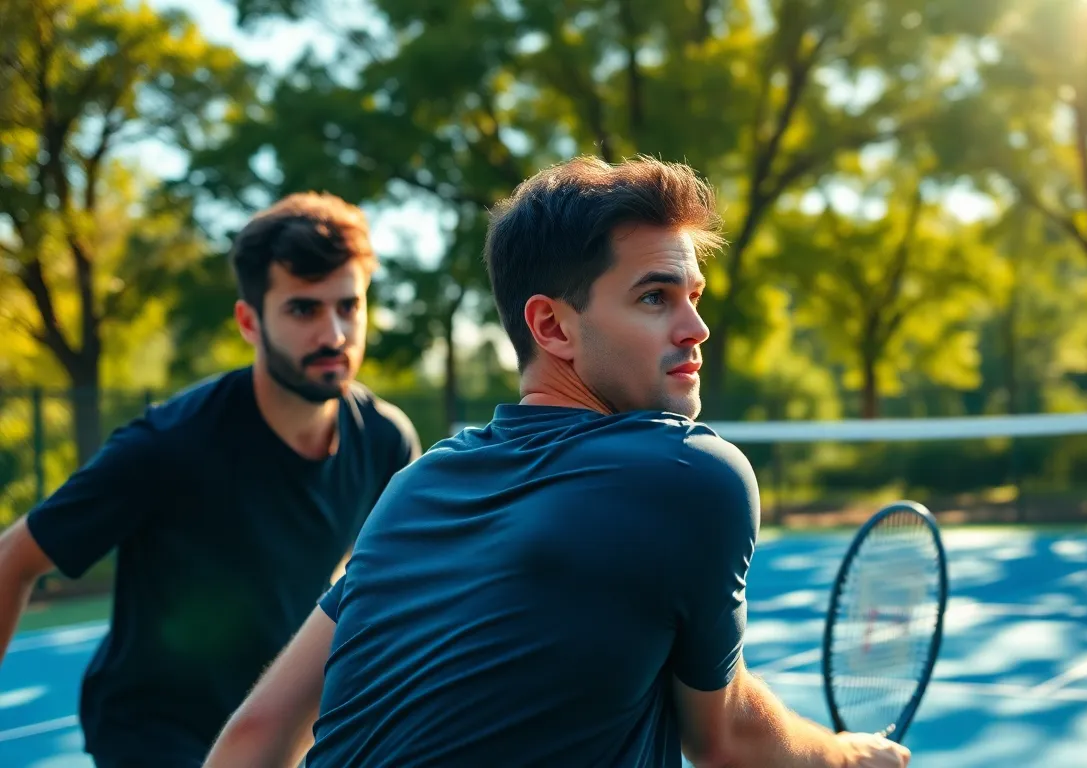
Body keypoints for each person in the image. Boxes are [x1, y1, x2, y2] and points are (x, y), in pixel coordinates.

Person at [202, 156, 911, 768]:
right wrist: (847, 756)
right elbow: (723, 736)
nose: (695, 328)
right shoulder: (692, 473)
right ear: (551, 326)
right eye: (655, 297)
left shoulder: (415, 485)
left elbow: (257, 733)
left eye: (693, 297)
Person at [0, 191, 421, 767]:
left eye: (348, 306)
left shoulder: (385, 442)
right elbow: (14, 558)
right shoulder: (169, 445)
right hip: (154, 733)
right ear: (250, 322)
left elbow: (381, 585)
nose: (334, 333)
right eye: (303, 310)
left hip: (277, 729)